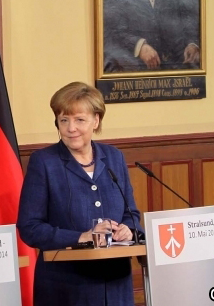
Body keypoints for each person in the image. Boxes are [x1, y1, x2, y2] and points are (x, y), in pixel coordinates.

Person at [17, 82, 143, 306]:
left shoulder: (114, 157)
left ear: (96, 120)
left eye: (79, 120)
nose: (71, 128)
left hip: (116, 286)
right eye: (64, 120)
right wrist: (81, 237)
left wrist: (129, 230)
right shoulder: (44, 162)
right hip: (67, 289)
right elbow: (30, 227)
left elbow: (130, 213)